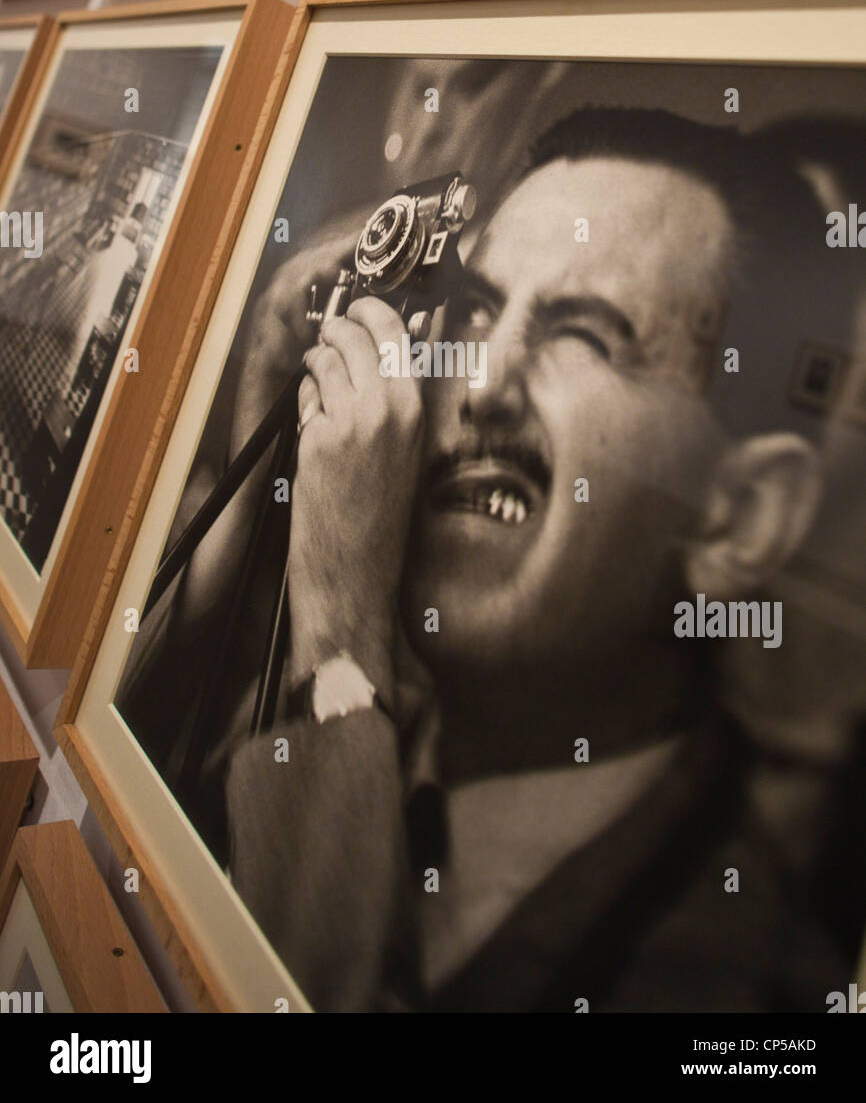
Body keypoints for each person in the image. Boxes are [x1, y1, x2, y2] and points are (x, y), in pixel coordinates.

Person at [200, 105, 852, 1013]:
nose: (480, 384)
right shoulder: (278, 731)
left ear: (737, 519)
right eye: (473, 314)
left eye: (585, 337)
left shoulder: (748, 998)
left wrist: (342, 642)